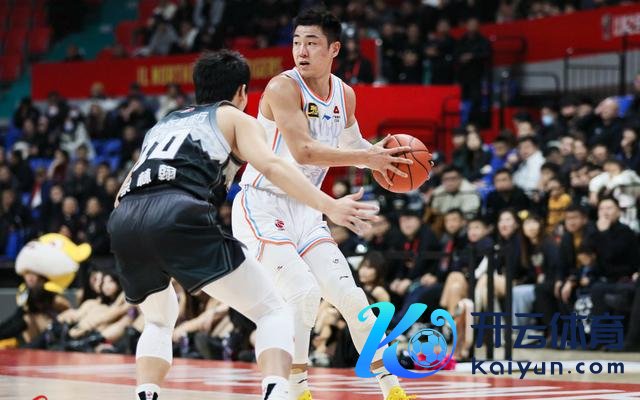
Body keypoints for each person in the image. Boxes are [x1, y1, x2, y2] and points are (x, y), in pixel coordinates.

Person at [108, 50, 376, 400]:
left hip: (124, 220)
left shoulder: (164, 124)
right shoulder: (235, 118)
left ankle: (146, 393)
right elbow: (274, 167)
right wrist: (329, 205)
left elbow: (121, 194)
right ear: (242, 92)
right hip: (178, 211)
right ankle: (277, 393)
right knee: (273, 309)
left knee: (158, 319)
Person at [232, 8, 415, 400]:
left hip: (306, 209)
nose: (301, 50)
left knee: (351, 296)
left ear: (334, 49)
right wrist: (366, 158)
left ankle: (393, 389)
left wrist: (383, 157)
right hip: (261, 205)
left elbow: (354, 145)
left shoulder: (344, 94)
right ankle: (297, 389)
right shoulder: (283, 88)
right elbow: (304, 151)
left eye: (312, 43)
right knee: (302, 293)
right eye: (297, 42)